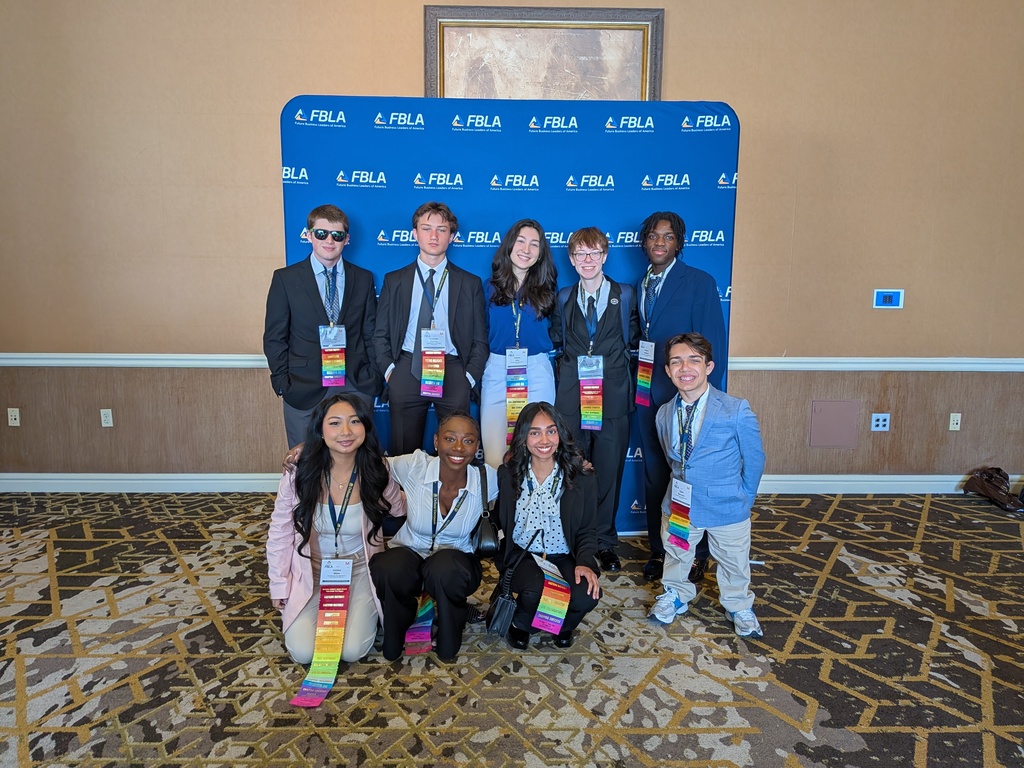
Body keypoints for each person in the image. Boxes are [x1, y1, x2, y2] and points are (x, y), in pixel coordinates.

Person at [266, 394, 406, 664]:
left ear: (365, 427)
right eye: (334, 423)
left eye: (354, 422)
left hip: (359, 568)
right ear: (320, 430)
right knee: (303, 653)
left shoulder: (376, 471)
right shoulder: (299, 473)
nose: (345, 431)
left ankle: (357, 612)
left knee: (353, 651)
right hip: (312, 570)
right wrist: (279, 585)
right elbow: (279, 533)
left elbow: (399, 508)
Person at [648, 333, 766, 638]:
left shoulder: (735, 409)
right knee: (676, 553)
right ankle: (675, 594)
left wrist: (745, 498)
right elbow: (673, 459)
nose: (685, 368)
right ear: (667, 370)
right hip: (680, 503)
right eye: (676, 361)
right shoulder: (663, 413)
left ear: (709, 366)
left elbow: (754, 459)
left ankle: (739, 605)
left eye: (693, 360)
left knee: (733, 560)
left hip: (727, 503)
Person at [635, 212, 728, 583]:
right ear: (644, 242)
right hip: (646, 392)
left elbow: (712, 346)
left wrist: (698, 399)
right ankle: (661, 550)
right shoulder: (639, 284)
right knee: (655, 474)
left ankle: (695, 553)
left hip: (684, 396)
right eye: (653, 236)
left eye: (668, 237)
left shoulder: (700, 282)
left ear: (679, 243)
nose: (659, 242)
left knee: (688, 475)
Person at [370, 412, 498, 662]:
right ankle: (399, 624)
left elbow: (529, 471)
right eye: (450, 439)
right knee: (389, 567)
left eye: (468, 441)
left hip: (455, 566)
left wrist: (576, 468)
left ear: (477, 446)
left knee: (444, 566)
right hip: (410, 554)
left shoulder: (488, 478)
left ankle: (451, 628)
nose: (459, 448)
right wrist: (307, 450)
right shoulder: (415, 466)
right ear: (436, 441)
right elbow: (369, 461)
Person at [550, 227, 640, 574]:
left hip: (614, 398)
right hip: (573, 397)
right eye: (580, 255)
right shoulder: (564, 297)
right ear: (572, 260)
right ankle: (573, 541)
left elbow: (634, 338)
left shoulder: (626, 295)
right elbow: (559, 340)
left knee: (608, 473)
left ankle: (604, 542)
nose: (588, 260)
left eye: (594, 253)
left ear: (605, 255)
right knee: (572, 470)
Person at [373, 202, 488, 455]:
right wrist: (391, 372)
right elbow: (380, 334)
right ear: (414, 233)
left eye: (442, 230)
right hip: (407, 368)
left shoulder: (470, 283)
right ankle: (404, 496)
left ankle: (454, 495)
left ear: (452, 236)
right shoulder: (395, 280)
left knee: (456, 449)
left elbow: (481, 339)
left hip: (453, 370)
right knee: (403, 453)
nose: (433, 236)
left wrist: (468, 377)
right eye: (426, 229)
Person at [264, 204, 382, 449]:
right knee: (304, 463)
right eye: (321, 233)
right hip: (303, 386)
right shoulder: (285, 279)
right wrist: (282, 382)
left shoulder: (362, 278)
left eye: (337, 235)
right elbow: (275, 337)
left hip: (355, 383)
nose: (329, 240)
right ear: (309, 235)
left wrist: (374, 376)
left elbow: (370, 333)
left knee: (359, 463)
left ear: (346, 240)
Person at [496, 402, 601, 650]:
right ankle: (521, 625)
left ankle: (562, 626)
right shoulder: (507, 475)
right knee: (536, 591)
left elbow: (587, 529)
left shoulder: (582, 478)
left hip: (563, 555)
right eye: (535, 432)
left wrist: (584, 562)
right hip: (524, 556)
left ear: (560, 435)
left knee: (587, 594)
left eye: (551, 431)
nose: (544, 439)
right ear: (523, 437)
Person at [480, 219, 558, 468]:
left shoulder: (549, 289)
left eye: (534, 244)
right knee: (494, 454)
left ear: (540, 253)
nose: (526, 249)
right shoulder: (488, 288)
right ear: (510, 245)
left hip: (536, 368)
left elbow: (558, 334)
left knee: (538, 450)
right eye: (521, 241)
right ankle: (497, 507)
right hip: (497, 367)